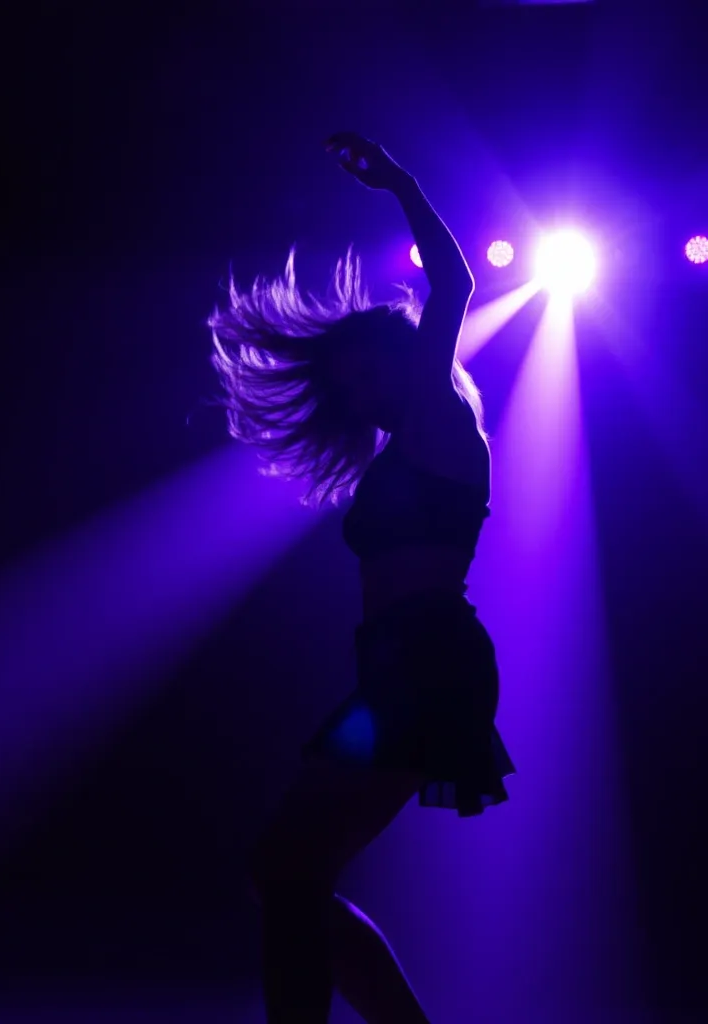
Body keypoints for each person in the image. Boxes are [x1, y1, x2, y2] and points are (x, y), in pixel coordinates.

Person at [208, 133, 515, 1023]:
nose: (356, 392)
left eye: (364, 371)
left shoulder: (438, 415)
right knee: (286, 871)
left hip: (428, 665)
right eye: (345, 384)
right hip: (396, 670)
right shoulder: (403, 447)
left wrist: (402, 185)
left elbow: (453, 287)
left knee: (289, 867)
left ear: (402, 357)